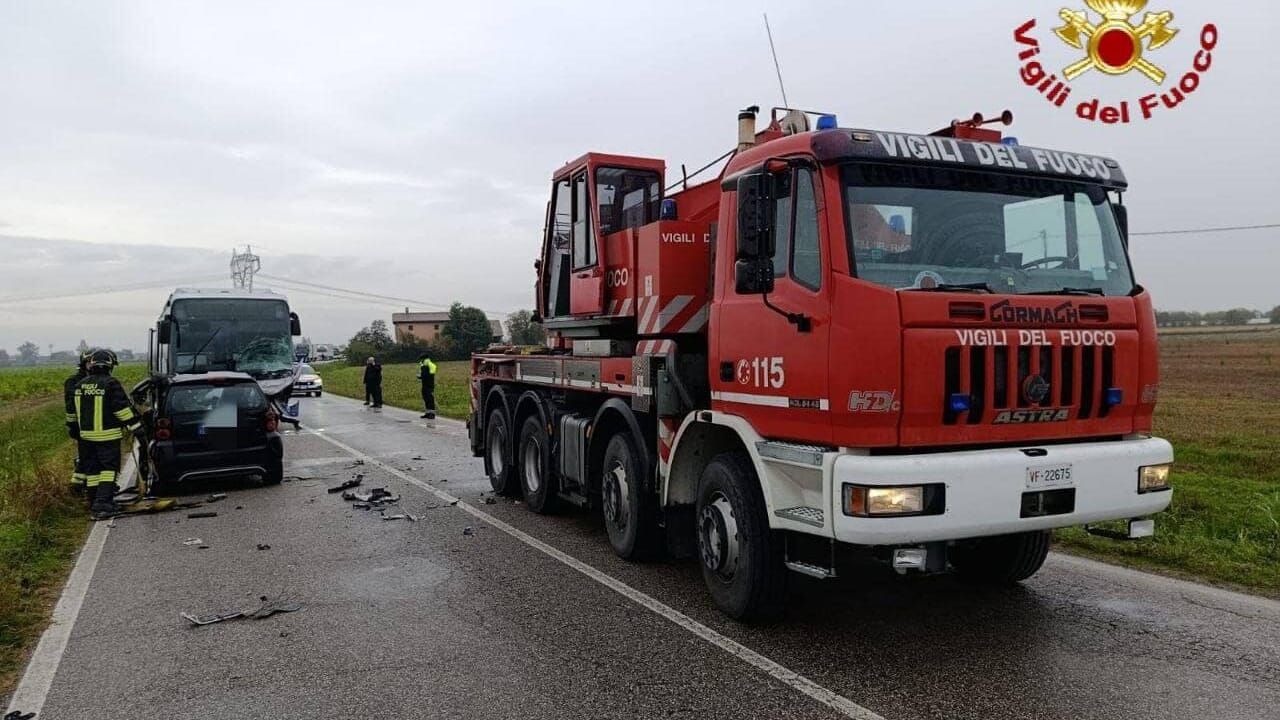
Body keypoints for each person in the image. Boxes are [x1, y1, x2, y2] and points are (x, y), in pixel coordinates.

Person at [73, 349, 141, 518]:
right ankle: (103, 503)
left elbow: (73, 413)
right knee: (108, 470)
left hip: (86, 438)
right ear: (110, 365)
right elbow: (122, 410)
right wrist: (136, 427)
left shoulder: (80, 385)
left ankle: (94, 502)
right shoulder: (111, 383)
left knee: (93, 471)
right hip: (107, 436)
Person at [63, 351, 90, 499]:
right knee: (86, 457)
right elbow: (71, 406)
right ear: (84, 363)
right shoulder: (74, 381)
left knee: (92, 457)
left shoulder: (96, 379)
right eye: (89, 362)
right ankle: (77, 489)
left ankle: (91, 488)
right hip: (82, 427)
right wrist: (74, 426)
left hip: (95, 426)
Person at [417, 353, 438, 419]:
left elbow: (430, 375)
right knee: (426, 399)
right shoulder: (423, 365)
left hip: (429, 385)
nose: (420, 361)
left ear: (424, 359)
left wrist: (421, 376)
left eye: (421, 359)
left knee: (430, 399)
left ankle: (432, 414)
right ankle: (427, 413)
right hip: (425, 384)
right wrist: (421, 376)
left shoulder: (429, 365)